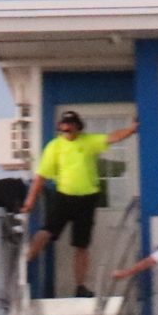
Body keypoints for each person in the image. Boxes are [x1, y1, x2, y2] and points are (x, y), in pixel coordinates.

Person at [24, 109, 130, 295]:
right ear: (60, 127)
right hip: (64, 196)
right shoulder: (54, 147)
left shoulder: (88, 141)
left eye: (70, 125)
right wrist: (30, 201)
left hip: (87, 199)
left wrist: (132, 128)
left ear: (77, 127)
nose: (67, 129)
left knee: (82, 245)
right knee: (47, 230)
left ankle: (80, 287)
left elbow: (113, 137)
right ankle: (26, 259)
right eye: (64, 126)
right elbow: (41, 176)